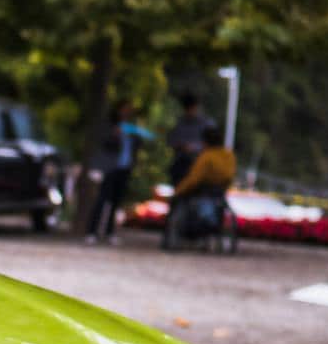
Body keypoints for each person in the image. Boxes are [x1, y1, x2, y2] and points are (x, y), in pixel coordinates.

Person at [83, 99, 153, 244]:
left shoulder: (131, 128)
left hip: (124, 167)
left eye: (129, 109)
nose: (127, 111)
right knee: (102, 199)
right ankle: (91, 232)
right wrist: (114, 134)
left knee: (116, 201)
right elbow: (102, 143)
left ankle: (110, 232)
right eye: (125, 108)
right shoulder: (109, 125)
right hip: (109, 168)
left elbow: (139, 144)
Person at [166, 123, 235, 245]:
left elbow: (194, 179)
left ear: (205, 141)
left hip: (202, 192)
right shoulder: (229, 156)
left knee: (180, 201)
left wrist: (177, 192)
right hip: (219, 192)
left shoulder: (206, 156)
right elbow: (229, 176)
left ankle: (178, 236)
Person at [167, 91, 209, 188]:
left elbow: (213, 144)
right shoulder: (179, 123)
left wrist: (194, 148)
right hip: (180, 166)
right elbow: (171, 141)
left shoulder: (205, 124)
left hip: (199, 166)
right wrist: (180, 146)